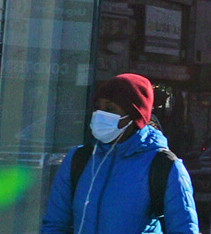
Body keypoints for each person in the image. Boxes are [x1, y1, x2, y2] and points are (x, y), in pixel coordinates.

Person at [41, 73, 199, 234]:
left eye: (110, 109)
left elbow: (184, 229)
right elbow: (54, 224)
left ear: (133, 116)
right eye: (98, 108)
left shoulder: (163, 166)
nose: (100, 115)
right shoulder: (79, 159)